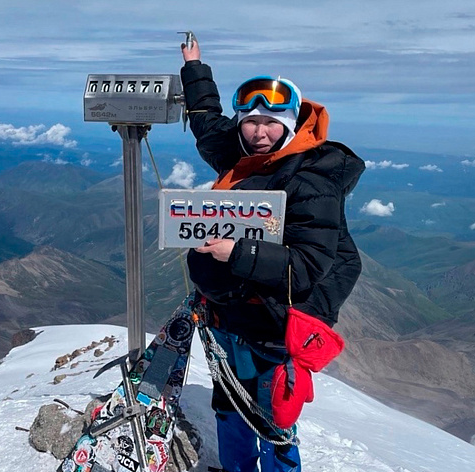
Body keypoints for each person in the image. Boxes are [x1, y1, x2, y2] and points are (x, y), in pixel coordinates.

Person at [180, 39, 365, 472]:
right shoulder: (242, 156)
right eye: (251, 122)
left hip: (273, 326)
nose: (259, 133)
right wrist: (194, 67)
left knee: (273, 421)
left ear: (291, 123)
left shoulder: (312, 178)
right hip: (227, 317)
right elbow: (207, 123)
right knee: (230, 409)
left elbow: (306, 267)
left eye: (271, 122)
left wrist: (235, 252)